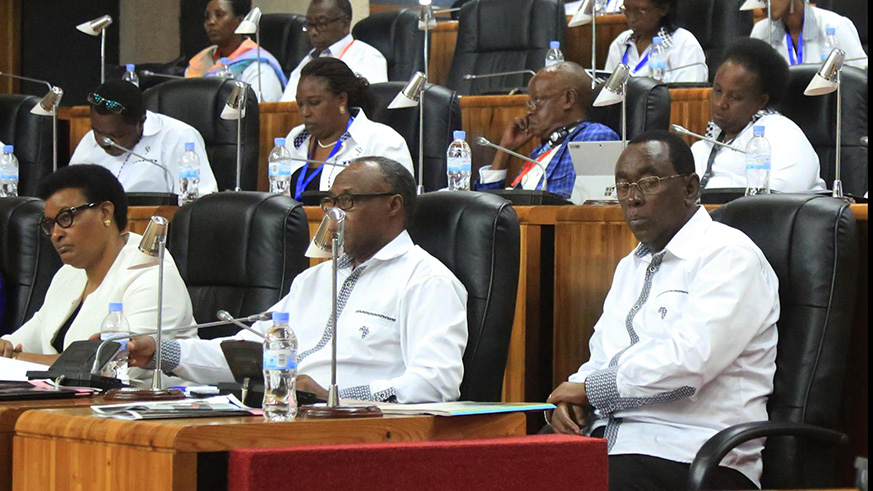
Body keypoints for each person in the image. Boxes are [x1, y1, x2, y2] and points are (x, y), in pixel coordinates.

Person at [126, 157, 468, 403]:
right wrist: (159, 351)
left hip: (362, 430)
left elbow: (436, 382)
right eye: (330, 202)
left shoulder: (426, 281)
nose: (333, 215)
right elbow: (248, 353)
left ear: (393, 205)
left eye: (347, 202)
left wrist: (335, 396)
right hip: (285, 414)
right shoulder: (314, 279)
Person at [547, 130, 779, 490]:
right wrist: (574, 397)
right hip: (610, 444)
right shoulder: (630, 265)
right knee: (502, 469)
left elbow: (688, 366)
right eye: (623, 186)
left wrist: (591, 390)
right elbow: (603, 355)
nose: (633, 199)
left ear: (690, 188)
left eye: (649, 182)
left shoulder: (729, 256)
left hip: (691, 453)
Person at [0, 165, 196, 377]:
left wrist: (16, 359)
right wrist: (6, 347)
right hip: (66, 395)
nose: (56, 234)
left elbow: (118, 367)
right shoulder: (68, 274)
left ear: (105, 213)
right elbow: (24, 339)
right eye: (50, 224)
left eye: (65, 218)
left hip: (144, 397)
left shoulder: (152, 274)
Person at [691, 38, 827, 193]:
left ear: (761, 101)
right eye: (718, 90)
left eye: (734, 97)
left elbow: (784, 191)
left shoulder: (781, 131)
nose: (721, 103)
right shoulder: (703, 146)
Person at [473, 62, 619, 200]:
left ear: (568, 99)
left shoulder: (595, 137)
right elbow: (486, 204)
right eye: (530, 103)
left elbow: (582, 205)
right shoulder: (542, 150)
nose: (529, 111)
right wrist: (505, 150)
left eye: (537, 101)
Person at [284, 58, 413, 201]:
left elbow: (401, 204)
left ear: (341, 99)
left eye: (314, 103)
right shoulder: (295, 140)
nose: (305, 112)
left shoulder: (383, 141)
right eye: (300, 104)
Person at [70, 80, 220, 195]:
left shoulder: (179, 137)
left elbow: (199, 200)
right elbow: (71, 193)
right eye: (97, 131)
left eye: (115, 135)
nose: (104, 141)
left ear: (141, 121)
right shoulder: (90, 141)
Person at [279, 0, 388, 102]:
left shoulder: (367, 57)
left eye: (321, 24)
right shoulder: (308, 60)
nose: (313, 32)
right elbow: (285, 104)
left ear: (344, 23)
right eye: (310, 24)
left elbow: (372, 107)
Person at [186, 0, 288, 102]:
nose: (211, 22)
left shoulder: (259, 68)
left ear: (240, 20)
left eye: (219, 15)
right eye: (207, 17)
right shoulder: (201, 61)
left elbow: (262, 110)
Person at [604, 0, 707, 83]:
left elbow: (686, 96)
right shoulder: (621, 43)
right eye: (627, 10)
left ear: (663, 9)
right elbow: (606, 91)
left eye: (641, 11)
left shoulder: (684, 44)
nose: (631, 18)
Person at [751, 0, 867, 70]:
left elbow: (860, 79)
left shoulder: (835, 25)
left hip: (828, 102)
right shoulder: (761, 31)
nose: (762, 5)